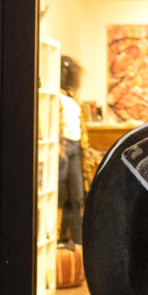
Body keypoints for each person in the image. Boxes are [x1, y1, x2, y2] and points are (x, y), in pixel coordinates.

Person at [58, 54, 85, 247]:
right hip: (63, 146)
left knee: (77, 195)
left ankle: (79, 239)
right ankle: (58, 236)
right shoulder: (56, 96)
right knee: (60, 193)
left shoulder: (71, 97)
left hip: (75, 146)